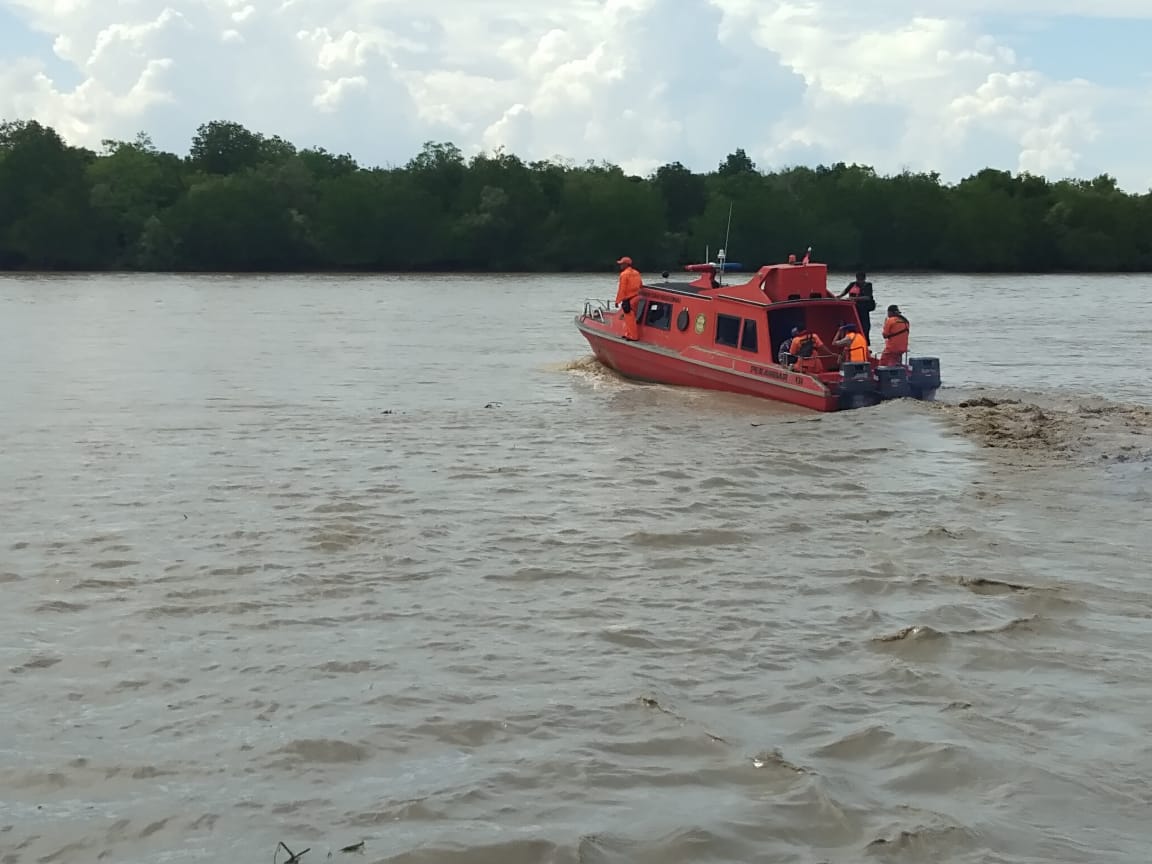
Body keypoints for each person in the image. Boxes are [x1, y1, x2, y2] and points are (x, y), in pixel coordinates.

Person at [837, 270, 876, 344]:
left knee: (865, 326)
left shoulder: (868, 285)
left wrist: (854, 299)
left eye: (860, 279)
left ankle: (865, 341)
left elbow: (868, 297)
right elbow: (845, 291)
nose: (859, 281)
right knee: (852, 324)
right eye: (858, 279)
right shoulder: (852, 284)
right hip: (853, 308)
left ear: (864, 278)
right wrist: (839, 296)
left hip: (863, 308)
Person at [614, 255, 642, 341]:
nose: (620, 265)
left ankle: (633, 336)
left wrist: (617, 301)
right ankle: (628, 333)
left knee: (629, 318)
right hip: (637, 297)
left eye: (622, 264)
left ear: (626, 264)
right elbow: (640, 284)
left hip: (629, 299)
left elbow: (622, 289)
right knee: (631, 317)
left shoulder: (624, 274)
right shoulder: (637, 273)